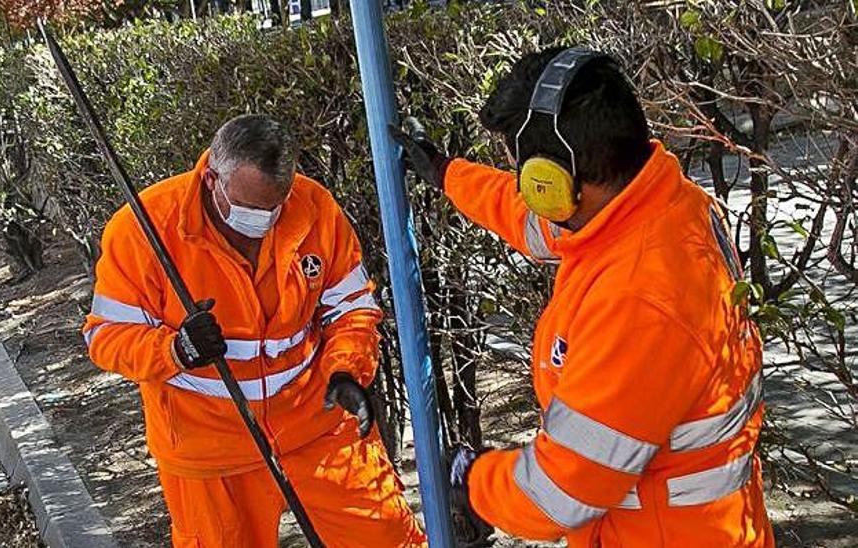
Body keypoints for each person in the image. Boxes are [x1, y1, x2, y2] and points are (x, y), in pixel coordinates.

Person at [392, 47, 773, 547]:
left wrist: (476, 482)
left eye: (530, 180)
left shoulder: (640, 298)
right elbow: (528, 220)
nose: (528, 194)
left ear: (555, 184)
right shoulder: (657, 202)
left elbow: (558, 493)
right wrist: (446, 173)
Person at [83, 114, 426, 547]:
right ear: (211, 178)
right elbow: (105, 337)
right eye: (248, 208)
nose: (263, 221)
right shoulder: (143, 230)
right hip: (208, 446)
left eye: (274, 207)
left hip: (315, 421)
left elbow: (353, 308)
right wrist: (177, 350)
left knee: (387, 537)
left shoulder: (313, 207)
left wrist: (346, 372)